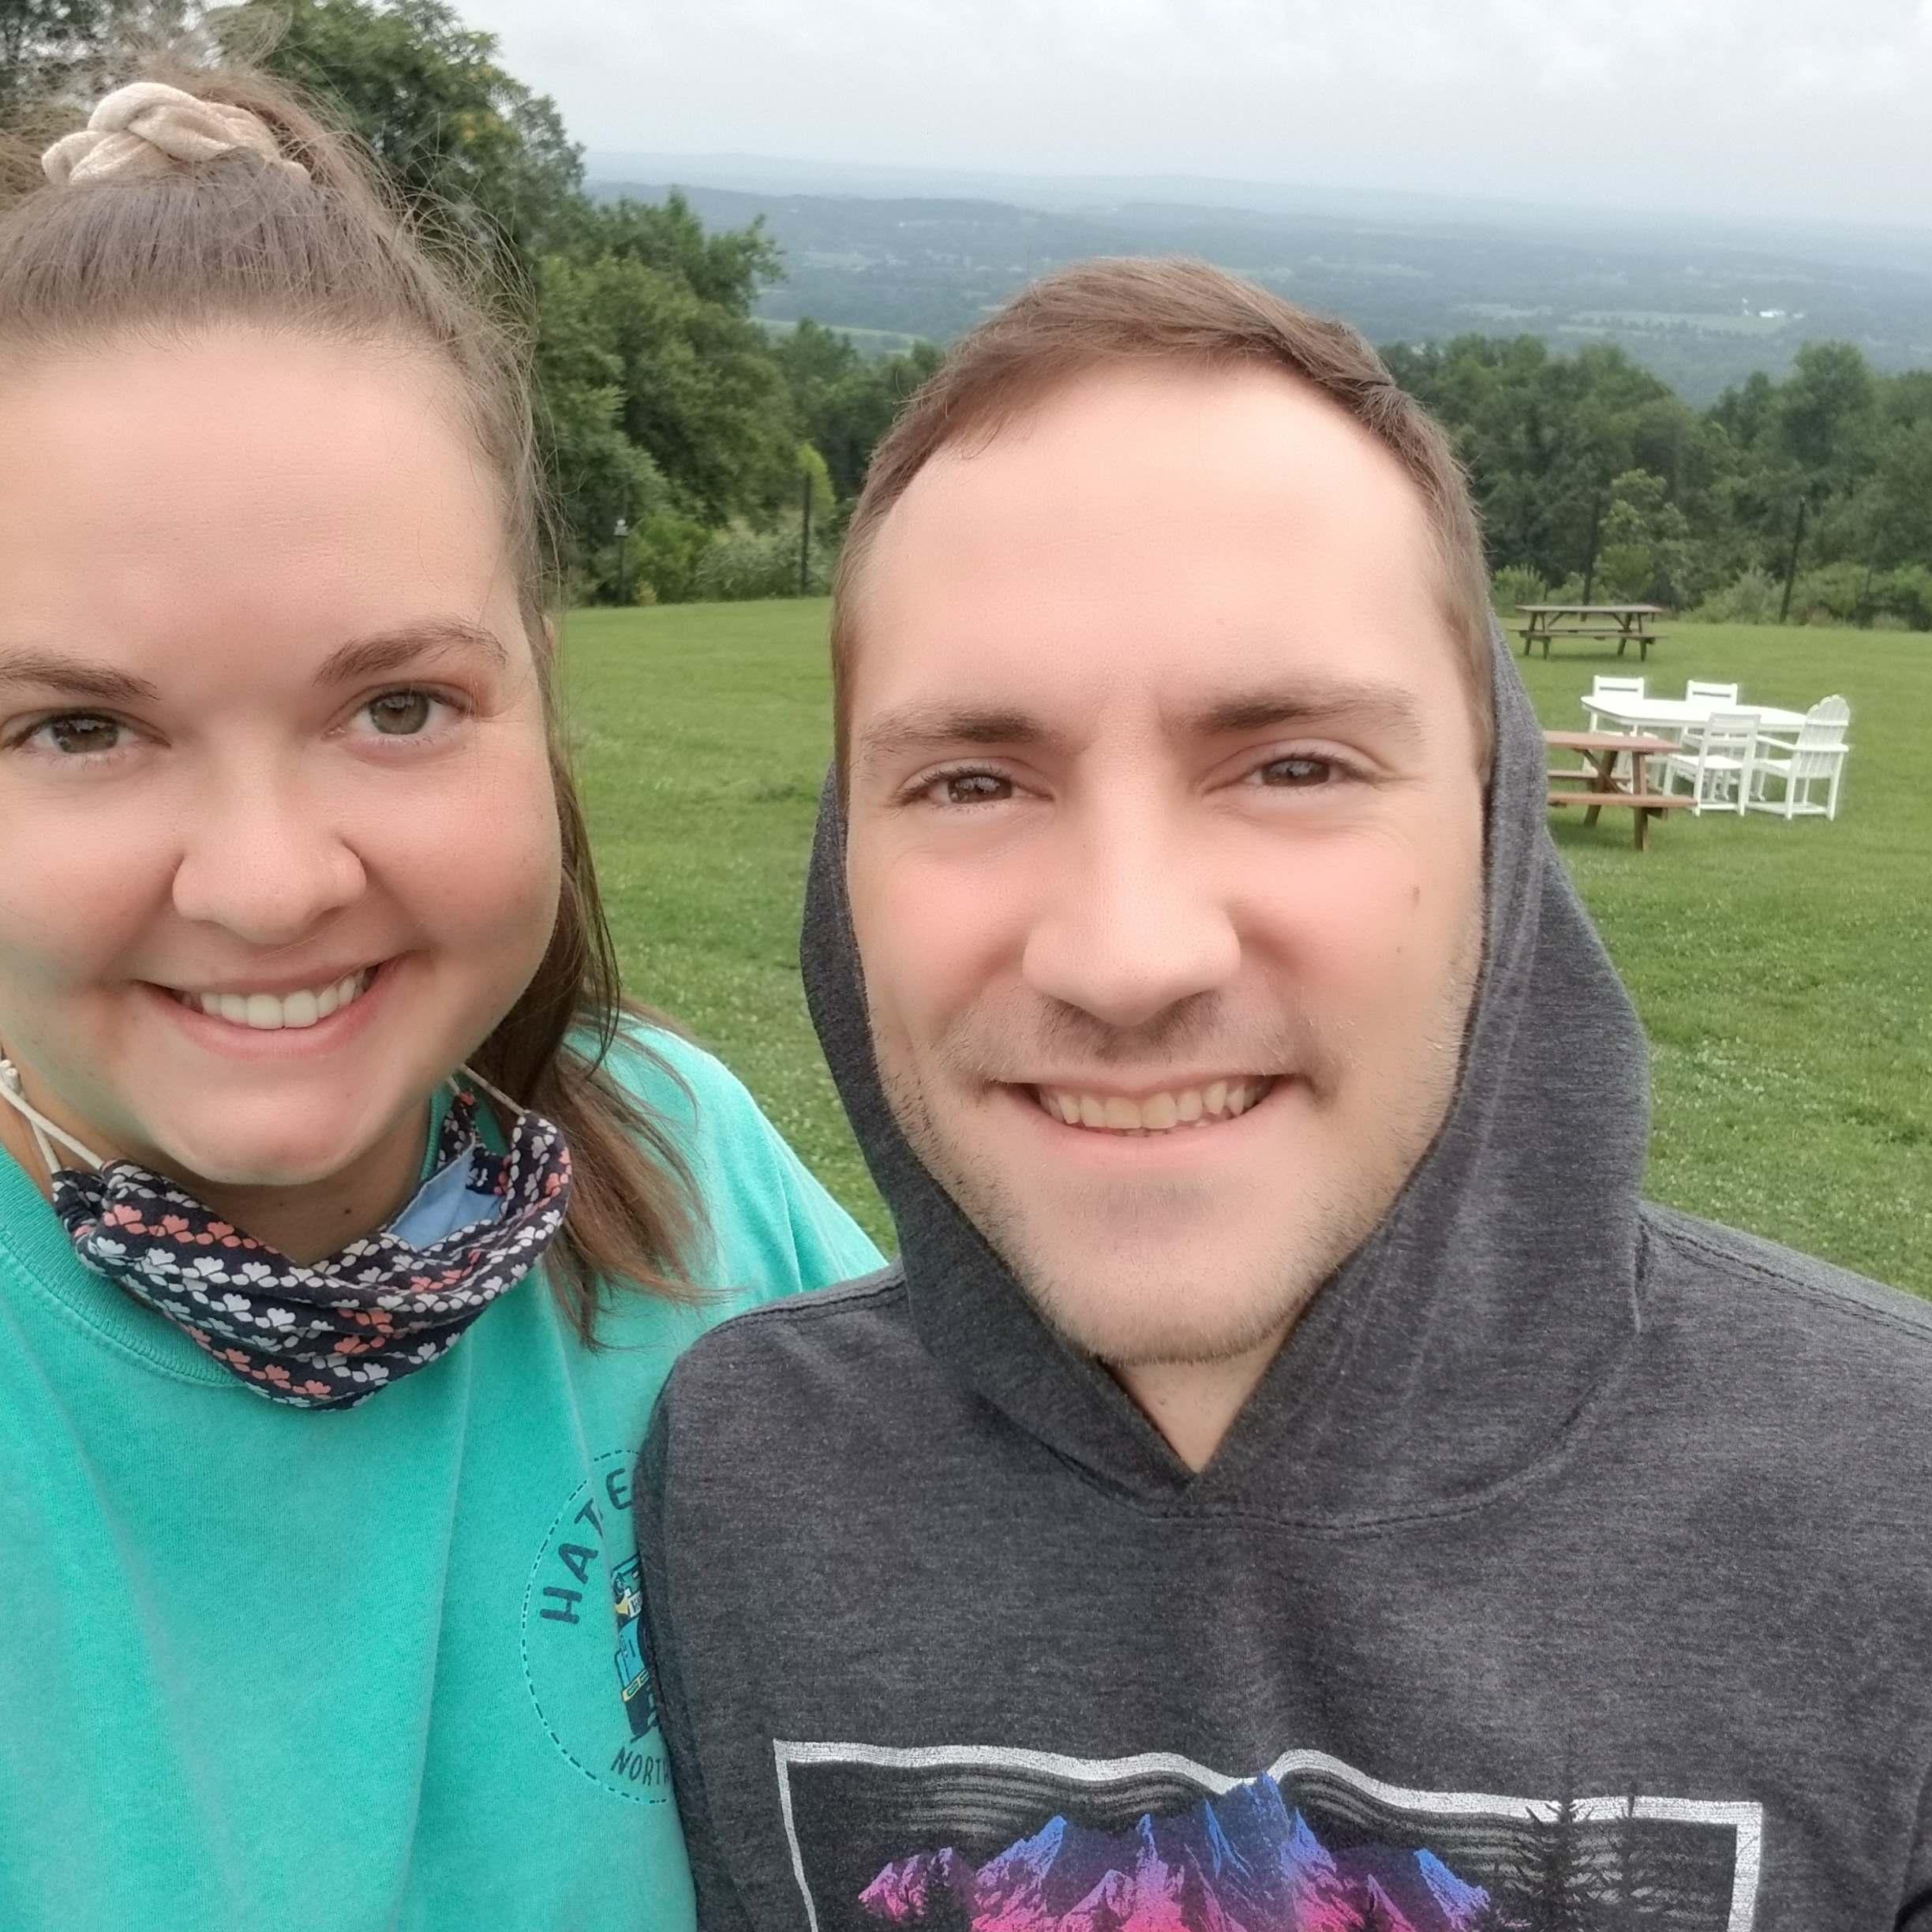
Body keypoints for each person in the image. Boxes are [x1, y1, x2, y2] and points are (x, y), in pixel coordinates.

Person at [636, 259, 1932, 1931]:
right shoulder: (743, 1483)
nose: (1128, 955)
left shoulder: (1890, 1507)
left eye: (1296, 765)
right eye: (970, 780)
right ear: (845, 871)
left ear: (1496, 837)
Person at [0, 69, 879, 1932]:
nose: (265, 883)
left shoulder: (691, 1172)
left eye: (397, 706)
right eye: (79, 729)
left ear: (539, 710)